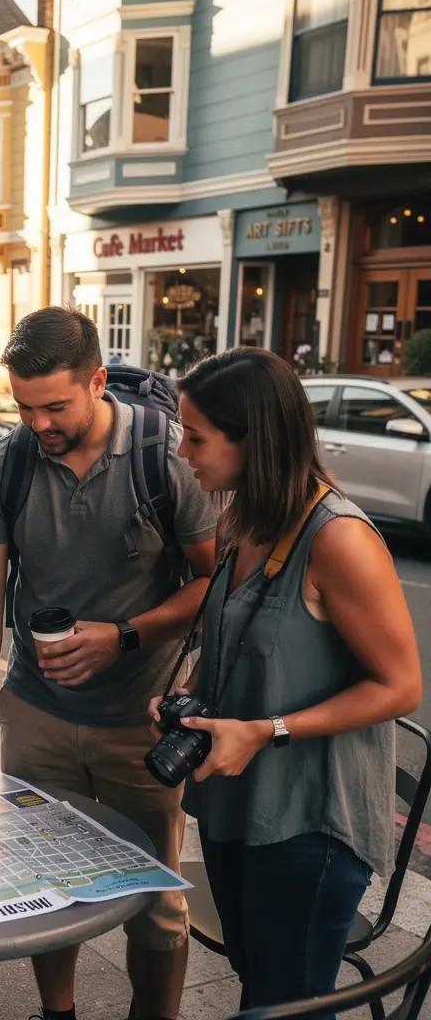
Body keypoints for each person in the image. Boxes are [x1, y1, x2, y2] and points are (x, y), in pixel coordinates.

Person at [0, 307, 218, 1020]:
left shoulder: (167, 457)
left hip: (140, 722)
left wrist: (121, 636)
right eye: (24, 407)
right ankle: (58, 1013)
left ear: (97, 381)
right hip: (37, 712)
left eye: (55, 406)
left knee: (155, 900)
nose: (38, 423)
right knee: (45, 883)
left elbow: (218, 584)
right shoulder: (5, 465)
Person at [147, 348, 420, 1011]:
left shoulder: (339, 539)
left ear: (256, 440)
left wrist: (267, 729)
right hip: (236, 804)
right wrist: (189, 705)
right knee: (257, 979)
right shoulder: (241, 521)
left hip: (308, 822)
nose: (183, 451)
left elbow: (402, 686)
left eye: (197, 436)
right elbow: (238, 647)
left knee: (282, 999)